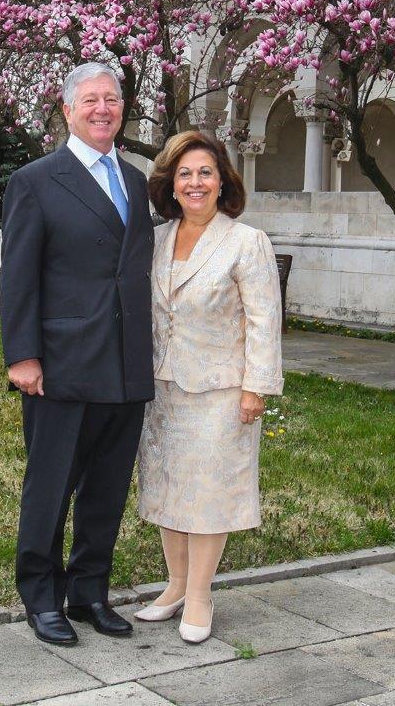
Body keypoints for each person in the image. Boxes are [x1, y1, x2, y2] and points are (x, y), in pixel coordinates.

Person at [0, 62, 155, 646]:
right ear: (67, 110)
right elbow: (18, 276)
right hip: (61, 363)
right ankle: (41, 597)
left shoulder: (137, 182)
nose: (102, 109)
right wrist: (22, 355)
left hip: (125, 363)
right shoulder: (37, 180)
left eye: (111, 100)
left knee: (108, 487)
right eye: (89, 100)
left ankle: (89, 591)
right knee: (51, 484)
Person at [134, 130, 283, 643]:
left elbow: (265, 321)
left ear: (222, 182)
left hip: (221, 390)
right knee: (166, 488)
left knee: (208, 493)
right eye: (184, 174)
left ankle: (200, 595)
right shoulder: (153, 240)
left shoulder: (247, 242)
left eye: (205, 173)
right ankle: (174, 586)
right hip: (160, 388)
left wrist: (255, 388)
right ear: (171, 185)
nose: (194, 182)